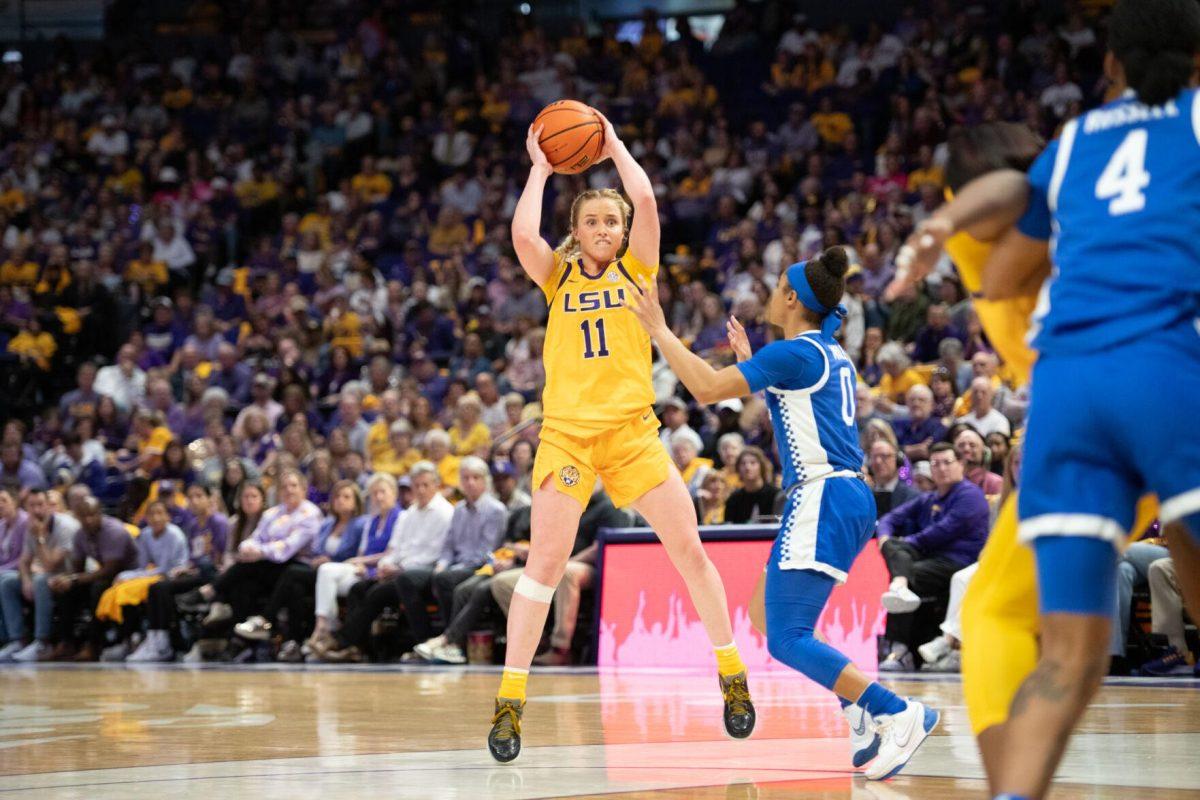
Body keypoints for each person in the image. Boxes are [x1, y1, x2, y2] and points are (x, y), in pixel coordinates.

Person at [899, 5, 1199, 794]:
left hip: (1069, 391)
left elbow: (1001, 260)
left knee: (1047, 640)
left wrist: (943, 221)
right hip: (1166, 371)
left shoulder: (1073, 151)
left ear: (1112, 65)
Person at [488, 112, 754, 762]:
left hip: (634, 434)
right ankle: (510, 702)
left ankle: (733, 675)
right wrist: (542, 168)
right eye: (592, 222)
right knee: (544, 563)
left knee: (689, 552)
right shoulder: (558, 276)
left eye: (611, 222)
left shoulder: (640, 270)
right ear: (576, 234)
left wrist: (615, 146)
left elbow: (644, 197)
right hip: (569, 439)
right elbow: (524, 232)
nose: (606, 228)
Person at [626, 245, 941, 781]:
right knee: (766, 616)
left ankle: (897, 711)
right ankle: (856, 710)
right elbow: (794, 409)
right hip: (839, 495)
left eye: (776, 287)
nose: (770, 293)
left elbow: (704, 388)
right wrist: (757, 366)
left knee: (787, 636)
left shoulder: (794, 355)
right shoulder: (822, 352)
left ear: (792, 298)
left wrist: (658, 328)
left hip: (825, 494)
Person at [311, 461, 454, 662]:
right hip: (400, 570)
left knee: (378, 593)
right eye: (417, 485)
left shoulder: (444, 512)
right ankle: (362, 649)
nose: (421, 490)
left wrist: (397, 568)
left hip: (425, 571)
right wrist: (386, 565)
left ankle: (342, 641)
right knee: (358, 588)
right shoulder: (410, 512)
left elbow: (434, 553)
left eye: (426, 485)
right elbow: (396, 548)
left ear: (436, 485)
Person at [876, 443, 989, 670]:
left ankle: (899, 649)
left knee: (908, 569)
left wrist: (899, 544)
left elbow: (940, 533)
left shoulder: (971, 496)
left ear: (961, 465)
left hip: (959, 562)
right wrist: (885, 539)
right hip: (931, 558)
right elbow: (890, 518)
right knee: (900, 561)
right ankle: (900, 587)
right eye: (935, 464)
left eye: (947, 462)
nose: (941, 469)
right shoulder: (929, 498)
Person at [234, 479, 366, 660]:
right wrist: (320, 558)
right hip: (320, 570)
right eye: (337, 497)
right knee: (294, 587)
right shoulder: (328, 523)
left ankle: (266, 620)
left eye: (346, 497)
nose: (340, 500)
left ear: (356, 501)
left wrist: (331, 559)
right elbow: (317, 549)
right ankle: (294, 643)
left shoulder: (359, 524)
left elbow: (356, 552)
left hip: (342, 571)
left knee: (292, 572)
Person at [184, 470, 320, 631]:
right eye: (284, 487)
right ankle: (238, 638)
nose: (288, 490)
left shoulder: (309, 513)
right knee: (242, 584)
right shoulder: (274, 512)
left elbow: (288, 547)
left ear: (303, 489)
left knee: (250, 568)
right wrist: (248, 549)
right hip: (271, 565)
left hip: (298, 564)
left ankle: (211, 592)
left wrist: (260, 552)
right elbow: (255, 538)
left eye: (293, 486)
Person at [411, 457, 507, 663]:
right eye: (466, 478)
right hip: (458, 565)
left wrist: (454, 568)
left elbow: (487, 551)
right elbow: (448, 546)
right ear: (460, 482)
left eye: (476, 477)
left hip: (481, 566)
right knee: (439, 576)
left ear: (485, 481)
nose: (471, 482)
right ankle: (446, 641)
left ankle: (450, 641)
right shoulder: (459, 509)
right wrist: (442, 564)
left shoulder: (495, 510)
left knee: (446, 579)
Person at [304, 475, 398, 658]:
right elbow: (362, 551)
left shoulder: (400, 517)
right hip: (364, 568)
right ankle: (332, 635)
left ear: (394, 494)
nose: (378, 497)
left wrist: (361, 561)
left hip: (382, 570)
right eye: (374, 493)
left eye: (382, 492)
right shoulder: (372, 520)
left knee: (328, 572)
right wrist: (361, 561)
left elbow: (392, 552)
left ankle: (326, 632)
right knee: (327, 580)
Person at [49, 497, 138, 661]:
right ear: (77, 517)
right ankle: (66, 642)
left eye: (92, 515)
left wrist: (75, 579)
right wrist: (66, 580)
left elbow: (110, 570)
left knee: (98, 589)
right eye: (83, 516)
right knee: (67, 589)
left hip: (128, 577)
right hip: (105, 576)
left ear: (100, 514)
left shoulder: (114, 531)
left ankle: (94, 645)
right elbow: (78, 569)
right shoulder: (80, 535)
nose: (88, 520)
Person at [0, 489, 76, 662]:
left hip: (71, 575)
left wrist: (40, 538)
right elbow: (24, 561)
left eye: (40, 505)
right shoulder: (31, 526)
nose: (36, 510)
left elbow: (50, 564)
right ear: (26, 507)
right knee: (7, 582)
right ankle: (17, 639)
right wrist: (26, 581)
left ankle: (43, 642)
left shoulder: (65, 526)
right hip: (49, 574)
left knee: (41, 580)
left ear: (49, 506)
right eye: (32, 506)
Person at [723, 447, 780, 524]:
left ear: (762, 467)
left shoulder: (776, 495)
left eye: (753, 463)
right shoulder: (733, 499)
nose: (747, 467)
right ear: (738, 468)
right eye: (743, 464)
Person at [867, 439, 919, 517]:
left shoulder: (913, 497)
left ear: (897, 460)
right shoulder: (865, 496)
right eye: (874, 457)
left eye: (884, 456)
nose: (878, 461)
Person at [954, 427, 1003, 496]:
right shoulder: (947, 480)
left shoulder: (996, 482)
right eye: (961, 445)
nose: (966, 449)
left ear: (984, 452)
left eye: (972, 445)